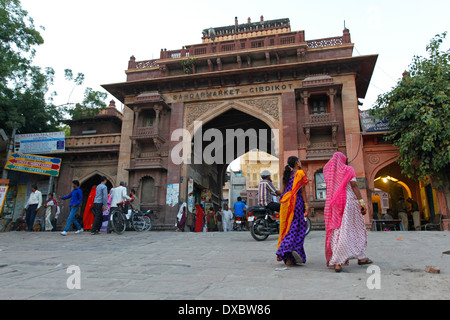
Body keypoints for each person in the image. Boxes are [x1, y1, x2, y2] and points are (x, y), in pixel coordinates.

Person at [323, 152, 372, 273]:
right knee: (352, 230)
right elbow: (354, 185)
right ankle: (339, 261)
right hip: (348, 202)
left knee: (337, 231)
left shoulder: (331, 173)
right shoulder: (348, 169)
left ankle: (359, 257)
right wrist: (361, 202)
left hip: (333, 203)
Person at [276, 156, 309, 265]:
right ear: (296, 163)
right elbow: (303, 191)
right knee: (298, 227)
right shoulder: (300, 173)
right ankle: (286, 249)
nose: (300, 162)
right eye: (299, 161)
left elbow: (283, 191)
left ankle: (289, 258)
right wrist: (306, 205)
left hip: (285, 203)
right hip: (296, 203)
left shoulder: (286, 175)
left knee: (287, 228)